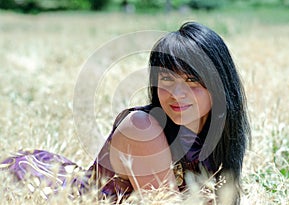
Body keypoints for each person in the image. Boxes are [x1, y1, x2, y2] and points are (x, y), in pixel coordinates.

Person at [0, 22, 250, 204]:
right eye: (166, 79)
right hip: (37, 188)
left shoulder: (215, 137)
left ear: (218, 85)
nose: (177, 93)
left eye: (192, 80)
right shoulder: (142, 128)